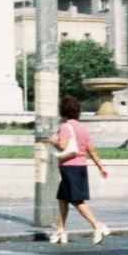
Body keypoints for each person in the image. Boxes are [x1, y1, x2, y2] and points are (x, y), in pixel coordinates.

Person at [49, 95, 110, 244]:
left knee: (75, 200)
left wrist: (52, 141)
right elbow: (91, 151)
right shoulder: (82, 128)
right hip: (81, 166)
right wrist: (100, 167)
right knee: (63, 198)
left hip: (70, 167)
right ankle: (60, 230)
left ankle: (98, 226)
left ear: (62, 112)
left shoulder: (65, 127)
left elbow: (63, 145)